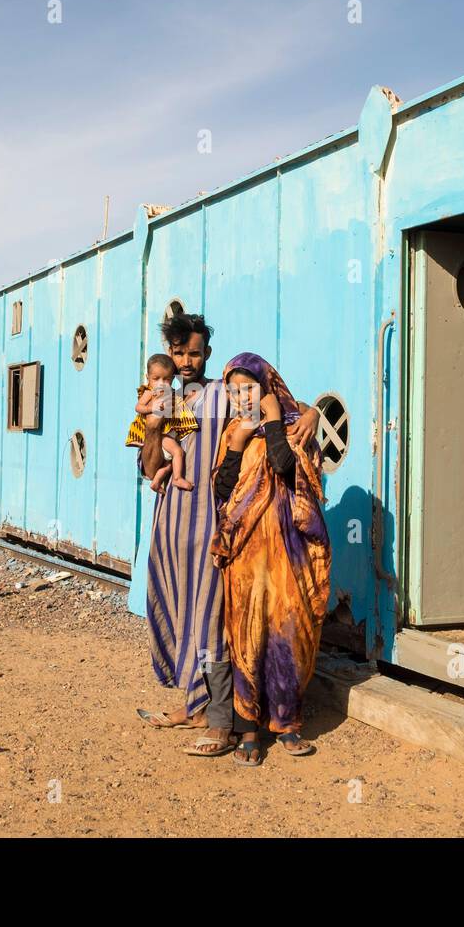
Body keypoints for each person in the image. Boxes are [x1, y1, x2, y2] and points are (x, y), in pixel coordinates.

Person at [133, 313, 321, 758]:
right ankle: (194, 706)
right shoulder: (160, 400)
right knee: (180, 613)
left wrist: (312, 412)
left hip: (214, 525)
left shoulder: (221, 395)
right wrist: (156, 427)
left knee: (212, 621)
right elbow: (147, 467)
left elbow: (276, 403)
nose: (185, 362)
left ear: (207, 354)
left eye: (193, 352)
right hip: (170, 523)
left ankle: (220, 723)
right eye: (178, 353)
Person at [211, 353, 332, 767]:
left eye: (248, 388)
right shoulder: (233, 431)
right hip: (245, 556)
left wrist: (276, 418)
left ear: (266, 389)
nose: (240, 397)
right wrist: (238, 444)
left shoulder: (295, 425)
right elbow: (222, 488)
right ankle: (248, 729)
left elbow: (284, 465)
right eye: (233, 390)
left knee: (288, 631)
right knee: (246, 635)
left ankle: (287, 723)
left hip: (287, 552)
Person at [125, 353, 196, 493]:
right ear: (148, 379)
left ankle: (156, 482)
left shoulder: (172, 394)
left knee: (168, 463)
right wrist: (152, 408)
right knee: (178, 452)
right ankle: (177, 478)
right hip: (162, 436)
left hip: (167, 435)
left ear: (173, 379)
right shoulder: (149, 393)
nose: (161, 384)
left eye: (167, 379)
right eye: (156, 379)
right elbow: (138, 407)